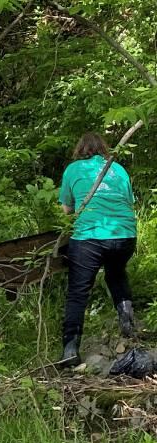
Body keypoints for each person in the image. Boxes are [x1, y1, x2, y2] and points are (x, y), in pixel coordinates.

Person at [58, 132, 138, 365]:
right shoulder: (118, 169)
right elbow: (127, 201)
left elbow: (66, 211)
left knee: (78, 292)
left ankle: (70, 350)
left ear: (80, 150)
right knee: (116, 274)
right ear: (103, 148)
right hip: (125, 234)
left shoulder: (73, 169)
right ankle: (128, 325)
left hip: (89, 237)